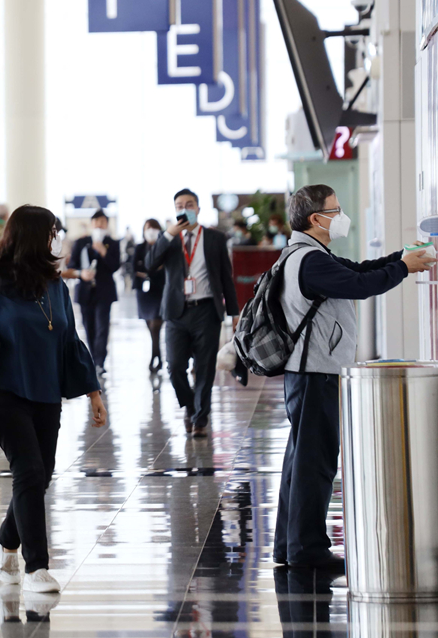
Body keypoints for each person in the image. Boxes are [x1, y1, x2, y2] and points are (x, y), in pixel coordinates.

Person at [273, 185, 434, 573]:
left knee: (301, 462)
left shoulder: (306, 254)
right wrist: (403, 268)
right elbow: (362, 286)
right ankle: (308, 550)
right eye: (336, 210)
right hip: (315, 373)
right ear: (316, 219)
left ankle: (289, 546)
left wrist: (402, 256)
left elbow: (358, 270)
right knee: (315, 464)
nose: (342, 216)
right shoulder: (310, 261)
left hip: (308, 373)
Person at [0, 205, 107, 594]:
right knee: (29, 470)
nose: (58, 239)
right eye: (53, 232)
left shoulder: (56, 285)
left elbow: (69, 340)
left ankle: (6, 540)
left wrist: (93, 392)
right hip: (3, 391)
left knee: (42, 472)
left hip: (45, 390)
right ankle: (37, 567)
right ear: (35, 235)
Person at [147, 189, 239, 438]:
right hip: (176, 313)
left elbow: (226, 277)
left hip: (207, 310)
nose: (184, 209)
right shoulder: (169, 238)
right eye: (179, 205)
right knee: (175, 367)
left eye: (189, 204)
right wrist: (168, 234)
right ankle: (189, 406)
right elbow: (150, 264)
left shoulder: (215, 238)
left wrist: (234, 313)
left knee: (205, 368)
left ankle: (200, 418)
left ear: (198, 209)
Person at [68, 210, 121, 376]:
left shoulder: (112, 243)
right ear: (91, 224)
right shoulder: (81, 242)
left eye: (102, 222)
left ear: (107, 224)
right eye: (96, 222)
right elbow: (72, 265)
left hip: (104, 292)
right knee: (88, 326)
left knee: (102, 328)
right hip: (85, 292)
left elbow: (115, 266)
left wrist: (103, 251)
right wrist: (81, 273)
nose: (99, 225)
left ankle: (100, 362)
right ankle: (92, 358)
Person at [133, 219, 166, 373]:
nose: (151, 231)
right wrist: (150, 272)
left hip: (160, 291)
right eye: (148, 228)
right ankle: (157, 356)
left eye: (154, 228)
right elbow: (134, 267)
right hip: (144, 293)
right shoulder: (139, 247)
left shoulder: (164, 247)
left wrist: (149, 272)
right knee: (150, 327)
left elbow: (165, 269)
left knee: (155, 326)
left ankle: (155, 357)